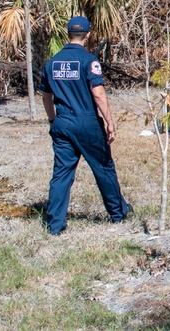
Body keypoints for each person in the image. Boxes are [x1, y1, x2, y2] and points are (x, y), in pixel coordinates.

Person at [39, 16, 129, 235]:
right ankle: (118, 213)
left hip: (62, 122)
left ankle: (55, 225)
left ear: (68, 34)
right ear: (88, 34)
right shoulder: (89, 61)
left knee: (61, 174)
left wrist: (52, 120)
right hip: (87, 122)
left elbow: (46, 96)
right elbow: (97, 93)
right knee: (103, 166)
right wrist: (109, 122)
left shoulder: (52, 63)